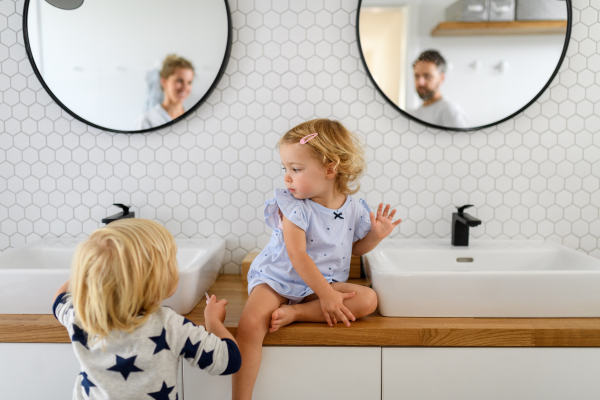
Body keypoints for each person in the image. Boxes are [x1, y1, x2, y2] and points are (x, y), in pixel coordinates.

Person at [232, 118, 402, 400]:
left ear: (330, 168)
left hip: (319, 286)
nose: (287, 177)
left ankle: (296, 313)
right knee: (250, 324)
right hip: (278, 278)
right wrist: (327, 295)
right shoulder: (293, 205)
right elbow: (297, 254)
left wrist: (376, 235)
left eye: (296, 169)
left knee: (368, 300)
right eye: (285, 168)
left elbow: (355, 249)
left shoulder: (354, 208)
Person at [52, 218, 241, 399]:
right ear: (155, 279)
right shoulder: (169, 325)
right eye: (172, 261)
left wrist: (94, 271)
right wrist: (213, 321)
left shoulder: (80, 317)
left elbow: (59, 299)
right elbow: (230, 360)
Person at [412, 50, 468, 128]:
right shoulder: (414, 114)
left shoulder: (451, 112)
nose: (420, 82)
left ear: (441, 78)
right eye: (417, 76)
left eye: (427, 76)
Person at [137, 54, 195, 130]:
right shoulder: (148, 120)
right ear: (164, 82)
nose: (185, 87)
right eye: (179, 81)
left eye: (189, 82)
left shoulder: (194, 117)